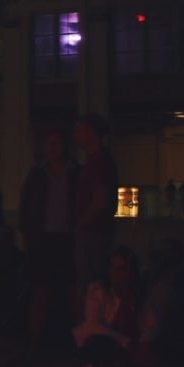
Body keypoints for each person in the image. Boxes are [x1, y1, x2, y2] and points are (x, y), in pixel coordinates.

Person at [17, 128, 79, 350]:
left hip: (67, 238)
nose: (53, 148)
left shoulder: (74, 173)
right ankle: (38, 339)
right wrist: (29, 235)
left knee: (71, 288)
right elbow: (25, 206)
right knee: (42, 289)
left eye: (57, 143)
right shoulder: (37, 174)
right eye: (50, 143)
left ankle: (76, 337)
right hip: (43, 239)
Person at [72, 113, 119, 324]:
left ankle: (93, 329)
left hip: (93, 232)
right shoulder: (97, 161)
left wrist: (80, 224)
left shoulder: (99, 162)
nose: (77, 135)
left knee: (92, 285)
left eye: (80, 130)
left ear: (91, 133)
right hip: (95, 230)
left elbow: (100, 201)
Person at [73, 246, 142, 367]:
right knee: (95, 342)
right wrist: (126, 342)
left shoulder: (138, 292)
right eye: (112, 267)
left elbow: (151, 322)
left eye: (121, 269)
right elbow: (93, 323)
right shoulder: (98, 290)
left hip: (131, 341)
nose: (115, 273)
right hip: (108, 339)